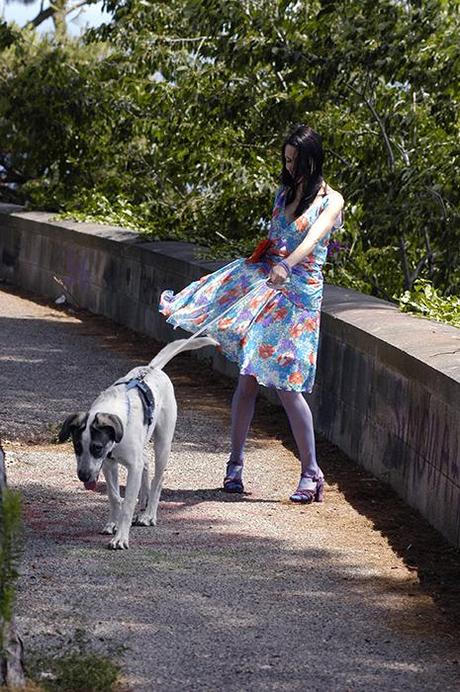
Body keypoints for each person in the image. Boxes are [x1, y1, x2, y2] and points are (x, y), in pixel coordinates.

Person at [159, 124, 344, 503]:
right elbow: (276, 240)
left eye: (296, 161)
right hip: (267, 286)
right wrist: (267, 261)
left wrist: (287, 265)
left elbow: (311, 241)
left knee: (287, 385)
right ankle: (235, 465)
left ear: (313, 158)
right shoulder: (284, 192)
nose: (290, 168)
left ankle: (311, 472)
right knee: (247, 377)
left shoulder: (331, 200)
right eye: (287, 160)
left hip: (299, 296)